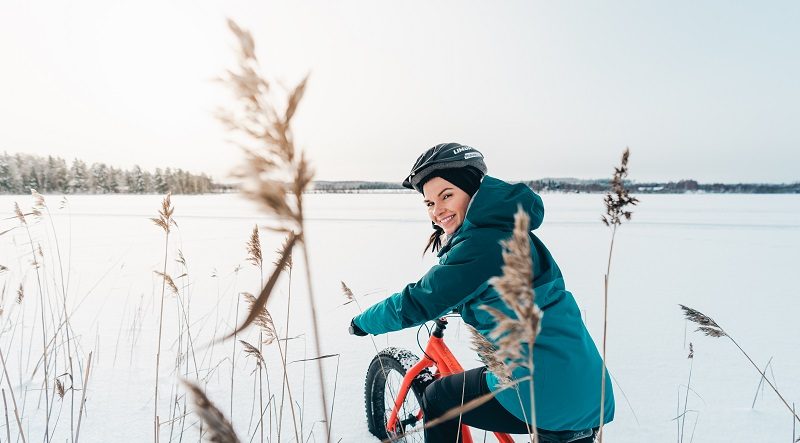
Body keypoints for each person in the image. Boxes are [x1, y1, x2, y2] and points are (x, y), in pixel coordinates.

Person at [349, 143, 614, 442]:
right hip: (588, 387)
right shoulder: (511, 230)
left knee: (438, 397)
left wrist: (363, 322)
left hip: (541, 392)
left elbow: (417, 301)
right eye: (429, 203)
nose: (437, 211)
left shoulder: (482, 244)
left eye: (447, 195)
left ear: (473, 191)